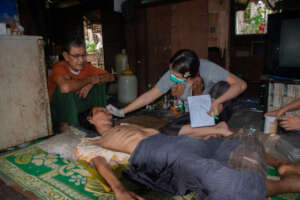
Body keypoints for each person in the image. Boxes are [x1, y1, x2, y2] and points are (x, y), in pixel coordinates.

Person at [78, 106, 269, 200]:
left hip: (174, 142)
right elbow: (97, 161)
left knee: (247, 146)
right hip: (156, 151)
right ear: (90, 119)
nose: (108, 112)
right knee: (223, 178)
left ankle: (269, 173)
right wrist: (119, 189)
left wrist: (206, 133)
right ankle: (256, 187)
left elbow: (163, 132)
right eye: (101, 111)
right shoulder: (94, 141)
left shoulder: (126, 124)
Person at [107, 49, 246, 118]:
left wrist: (217, 102)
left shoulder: (207, 68)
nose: (171, 76)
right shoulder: (173, 73)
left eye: (175, 75)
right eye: (170, 71)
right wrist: (123, 111)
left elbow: (240, 84)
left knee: (224, 87)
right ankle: (207, 130)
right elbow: (150, 95)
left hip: (213, 111)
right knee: (171, 131)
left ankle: (215, 125)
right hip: (190, 115)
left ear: (187, 75)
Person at [47, 34, 115, 133]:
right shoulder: (59, 68)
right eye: (76, 56)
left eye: (83, 55)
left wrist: (92, 83)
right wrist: (90, 80)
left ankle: (98, 121)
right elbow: (65, 88)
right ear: (66, 56)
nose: (81, 60)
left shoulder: (87, 67)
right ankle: (67, 127)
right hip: (58, 112)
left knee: (100, 83)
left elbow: (111, 77)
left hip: (79, 107)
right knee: (68, 88)